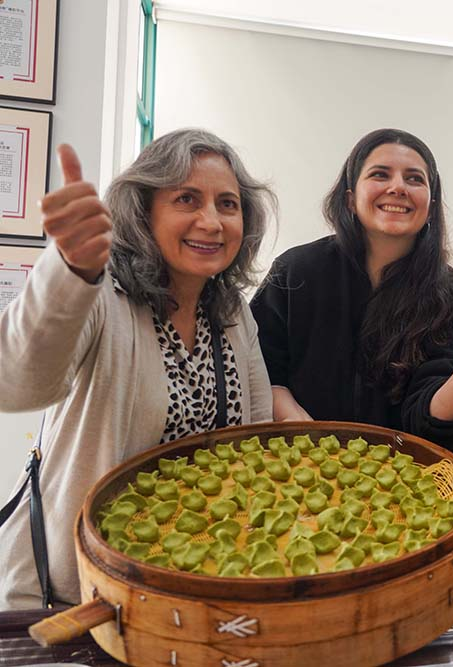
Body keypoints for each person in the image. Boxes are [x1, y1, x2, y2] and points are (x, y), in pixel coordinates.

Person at [0, 129, 276, 608]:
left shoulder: (233, 313)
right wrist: (70, 269)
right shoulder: (104, 296)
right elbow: (16, 384)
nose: (211, 221)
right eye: (187, 199)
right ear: (144, 211)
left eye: (227, 204)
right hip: (78, 595)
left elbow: (253, 443)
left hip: (191, 593)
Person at [251, 129, 453, 451]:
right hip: (297, 469)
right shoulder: (296, 271)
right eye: (380, 174)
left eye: (414, 179)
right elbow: (262, 372)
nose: (397, 188)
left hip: (405, 480)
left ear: (431, 206)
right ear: (350, 197)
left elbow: (430, 422)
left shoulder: (452, 295)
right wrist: (309, 434)